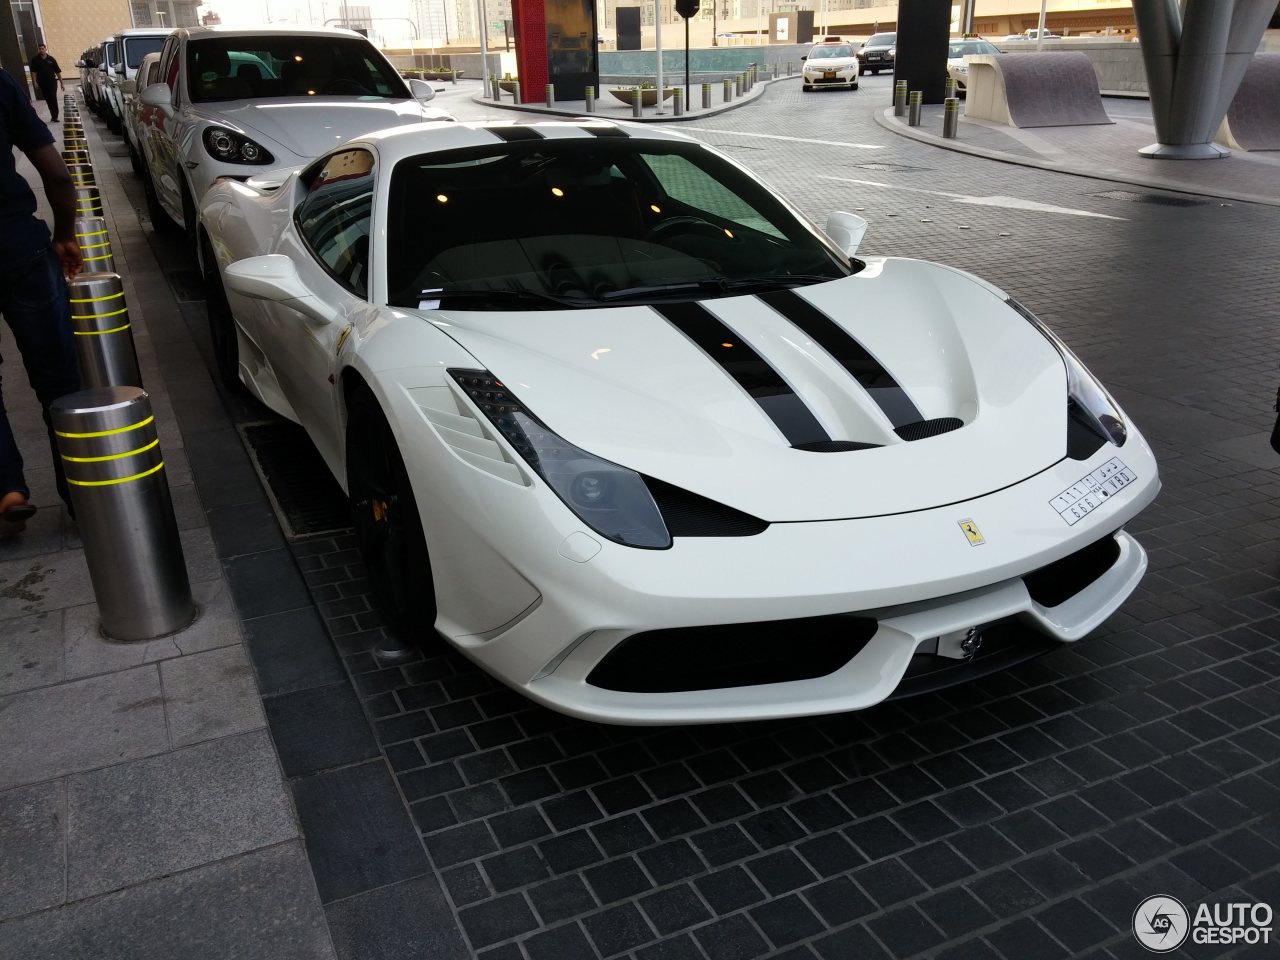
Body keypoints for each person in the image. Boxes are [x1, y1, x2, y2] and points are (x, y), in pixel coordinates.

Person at [0, 67, 82, 536]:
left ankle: (8, 488)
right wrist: (65, 234)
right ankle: (82, 489)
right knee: (57, 375)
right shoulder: (0, 82)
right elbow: (55, 171)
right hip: (16, 244)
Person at [28, 43, 63, 122]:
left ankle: (55, 116)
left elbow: (57, 71)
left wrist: (62, 83)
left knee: (53, 98)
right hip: (42, 83)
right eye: (40, 49)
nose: (41, 50)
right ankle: (53, 115)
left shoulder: (51, 59)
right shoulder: (35, 59)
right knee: (48, 99)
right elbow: (33, 72)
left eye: (42, 48)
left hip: (52, 82)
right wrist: (35, 82)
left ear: (45, 49)